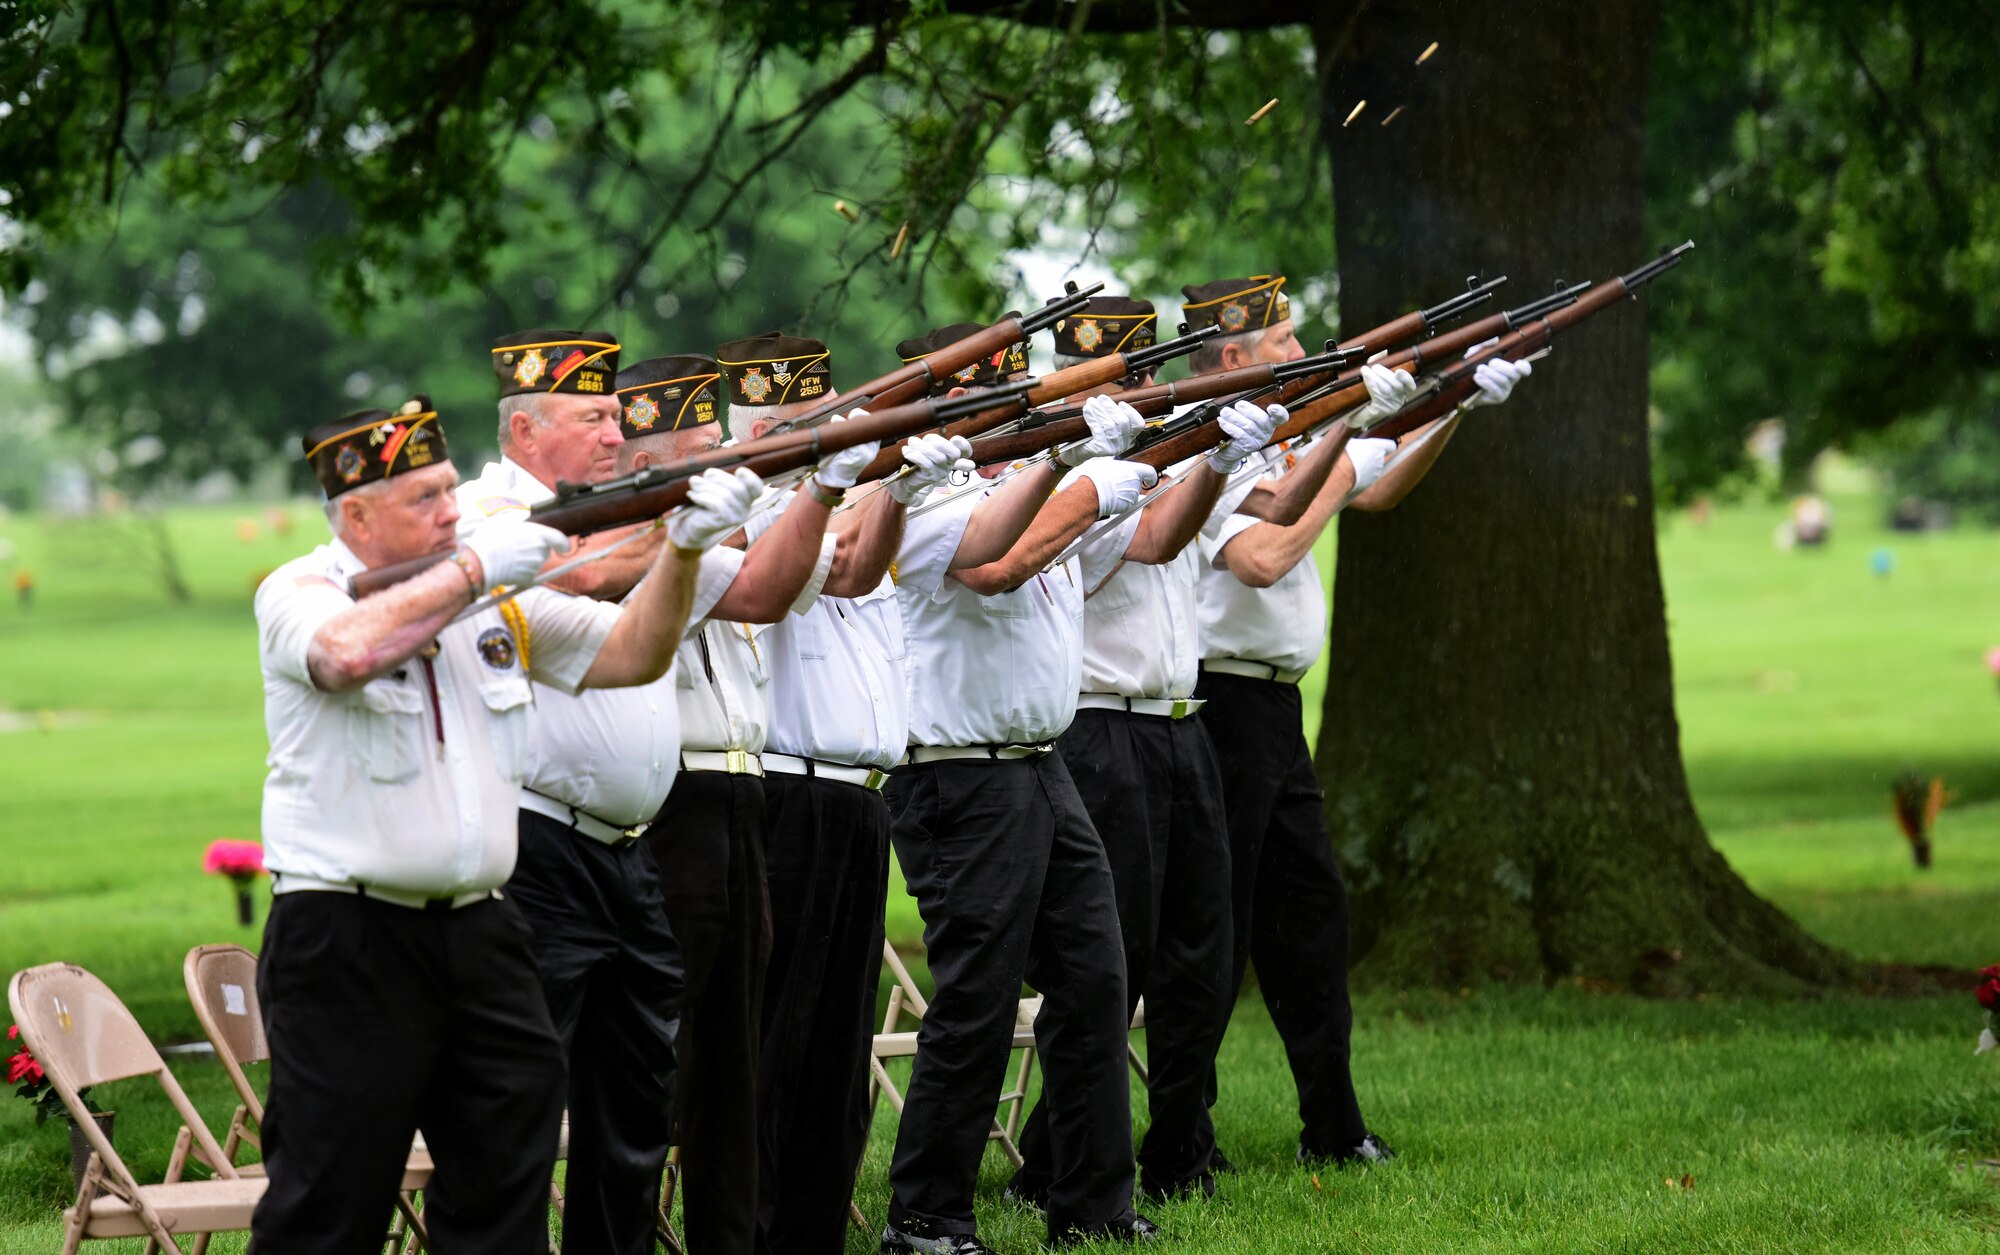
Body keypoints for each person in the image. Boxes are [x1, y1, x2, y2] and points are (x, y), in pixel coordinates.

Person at [251, 394, 760, 1255]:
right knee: (331, 1195)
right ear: (357, 515)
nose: (452, 511)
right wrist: (477, 568)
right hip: (349, 934)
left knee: (507, 1171)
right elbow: (344, 655)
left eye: (452, 489)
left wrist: (682, 546)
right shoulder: (305, 590)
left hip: (485, 930)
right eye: (425, 499)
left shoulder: (496, 603)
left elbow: (634, 650)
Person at [1180, 274, 1530, 1169]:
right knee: (1213, 932)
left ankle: (1332, 1129)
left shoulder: (1290, 437)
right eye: (1283, 341)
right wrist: (1342, 449)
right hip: (1220, 705)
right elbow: (1261, 558)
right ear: (1232, 356)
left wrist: (1451, 406)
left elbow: (1377, 488)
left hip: (1274, 710)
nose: (1302, 353)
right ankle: (1179, 1139)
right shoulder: (1203, 451)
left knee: (1314, 922)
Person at [879, 323, 1162, 1253]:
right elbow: (996, 567)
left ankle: (1091, 1204)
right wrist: (1076, 476)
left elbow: (1092, 542)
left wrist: (1118, 469)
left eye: (1019, 393)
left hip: (1041, 762)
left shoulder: (1013, 481)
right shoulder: (917, 493)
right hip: (956, 777)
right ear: (947, 405)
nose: (1017, 407)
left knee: (1095, 980)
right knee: (980, 995)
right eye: (1000, 397)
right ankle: (926, 1211)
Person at [1004, 295, 1278, 1206]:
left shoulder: (1144, 460)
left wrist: (1217, 458)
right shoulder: (1070, 474)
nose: (1145, 386)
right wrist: (1137, 467)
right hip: (1101, 722)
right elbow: (1147, 540)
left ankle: (1180, 1147)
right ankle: (1061, 1161)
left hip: (1179, 718)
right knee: (1108, 965)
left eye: (1148, 369)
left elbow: (1182, 529)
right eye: (1125, 373)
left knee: (1203, 948)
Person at [709, 342, 971, 1255]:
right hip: (789, 795)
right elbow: (849, 563)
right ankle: (764, 1229)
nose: (812, 436)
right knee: (778, 1042)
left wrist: (884, 479)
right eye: (790, 424)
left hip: (859, 801)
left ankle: (812, 1231)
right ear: (754, 431)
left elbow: (870, 563)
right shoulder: (745, 510)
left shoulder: (840, 493)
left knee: (835, 1050)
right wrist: (869, 481)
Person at [623, 333, 871, 1255]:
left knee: (737, 1064)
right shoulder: (637, 537)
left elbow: (773, 589)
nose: (724, 469)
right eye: (703, 456)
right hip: (674, 802)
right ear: (644, 464)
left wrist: (822, 484)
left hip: (743, 797)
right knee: (662, 1063)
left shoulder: (721, 525)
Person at [454, 332, 696, 1255]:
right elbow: (583, 574)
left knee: (634, 1102)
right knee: (521, 1094)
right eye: (593, 416)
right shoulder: (489, 513)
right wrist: (676, 524)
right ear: (525, 428)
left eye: (615, 415)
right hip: (542, 845)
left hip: (629, 849)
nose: (614, 431)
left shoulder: (603, 505)